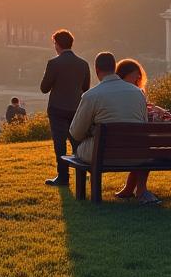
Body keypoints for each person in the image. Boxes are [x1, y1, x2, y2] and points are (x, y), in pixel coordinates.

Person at [69, 53, 147, 189]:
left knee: (80, 145)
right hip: (134, 155)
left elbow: (76, 133)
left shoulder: (91, 95)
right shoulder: (138, 93)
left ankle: (89, 191)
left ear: (97, 70)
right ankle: (134, 189)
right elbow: (144, 126)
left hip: (102, 154)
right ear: (114, 68)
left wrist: (91, 130)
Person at [40, 29, 92, 186]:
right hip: (76, 108)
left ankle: (63, 176)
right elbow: (86, 88)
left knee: (59, 143)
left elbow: (44, 88)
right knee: (77, 141)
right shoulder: (83, 64)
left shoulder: (54, 63)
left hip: (57, 109)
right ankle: (81, 172)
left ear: (57, 44)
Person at [112, 59, 161, 205]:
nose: (138, 80)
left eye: (139, 77)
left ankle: (129, 188)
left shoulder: (112, 91)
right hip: (126, 146)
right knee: (144, 146)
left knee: (140, 145)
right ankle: (140, 189)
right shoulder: (136, 93)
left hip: (112, 145)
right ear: (124, 75)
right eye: (135, 76)